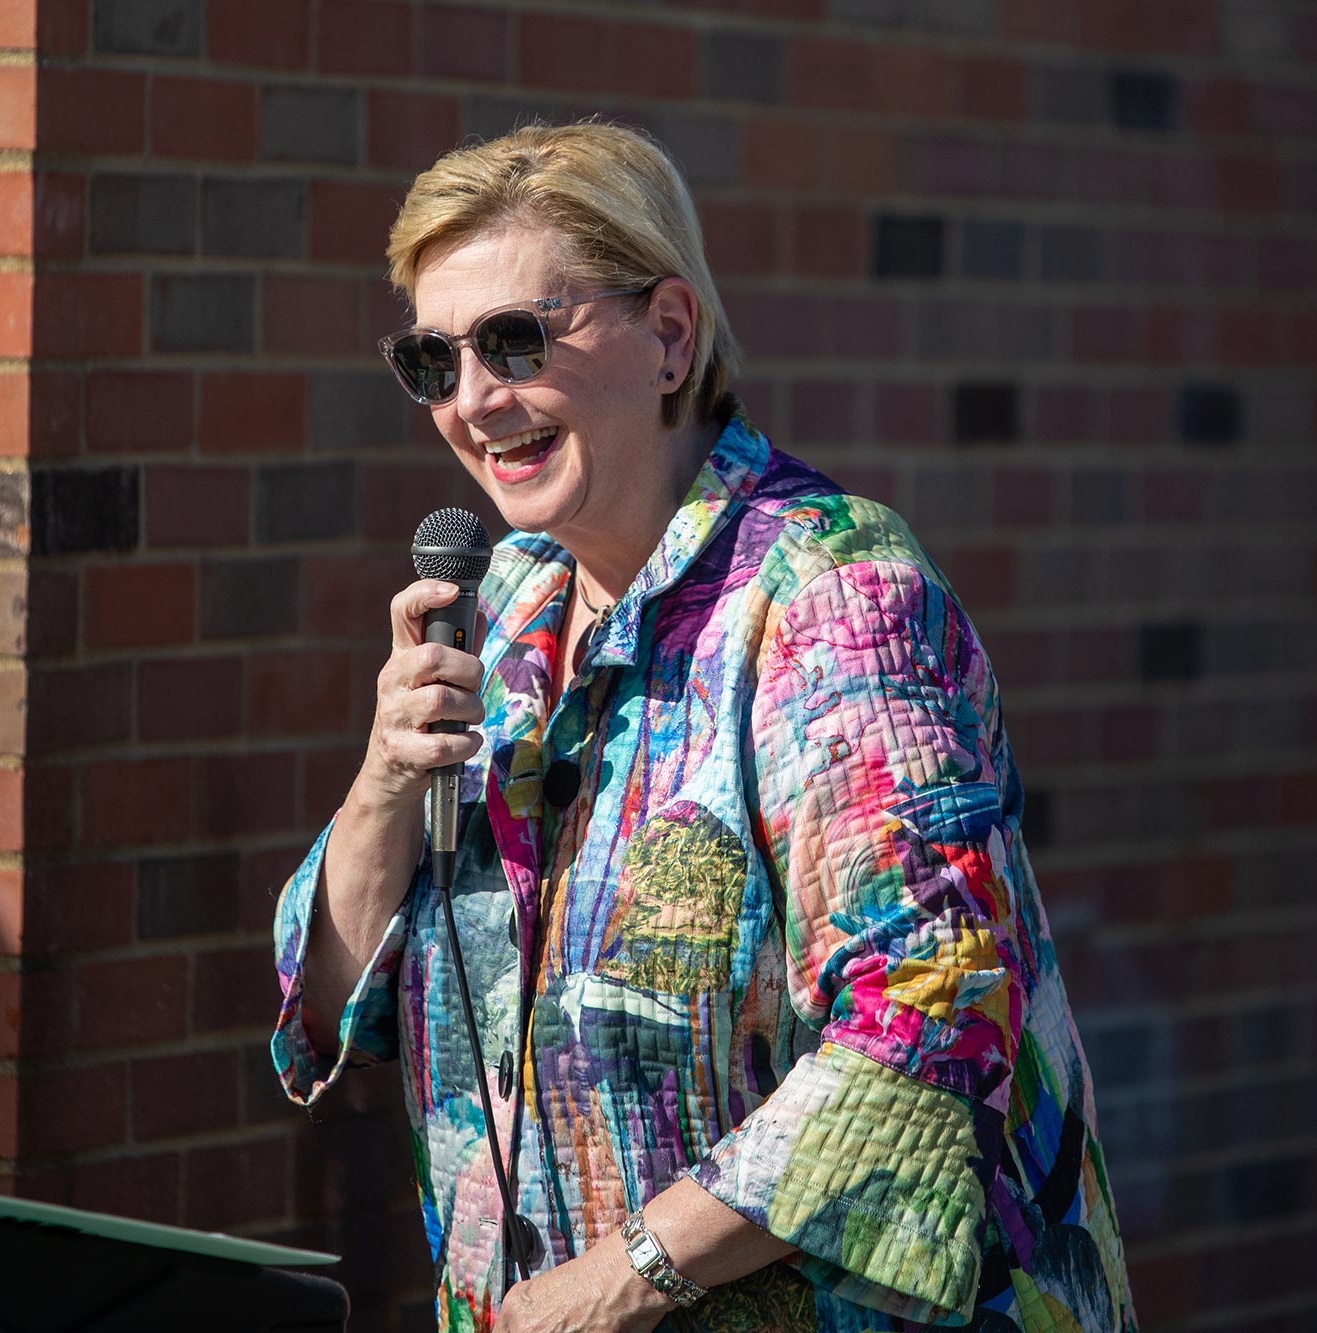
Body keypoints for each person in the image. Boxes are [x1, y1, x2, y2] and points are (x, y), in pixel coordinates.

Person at [272, 120, 1134, 1333]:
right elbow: (331, 1012)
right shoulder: (505, 606)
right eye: (432, 360)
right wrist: (382, 783)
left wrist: (617, 1282)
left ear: (670, 334)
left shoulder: (832, 599)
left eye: (515, 340)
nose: (472, 400)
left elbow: (930, 1019)